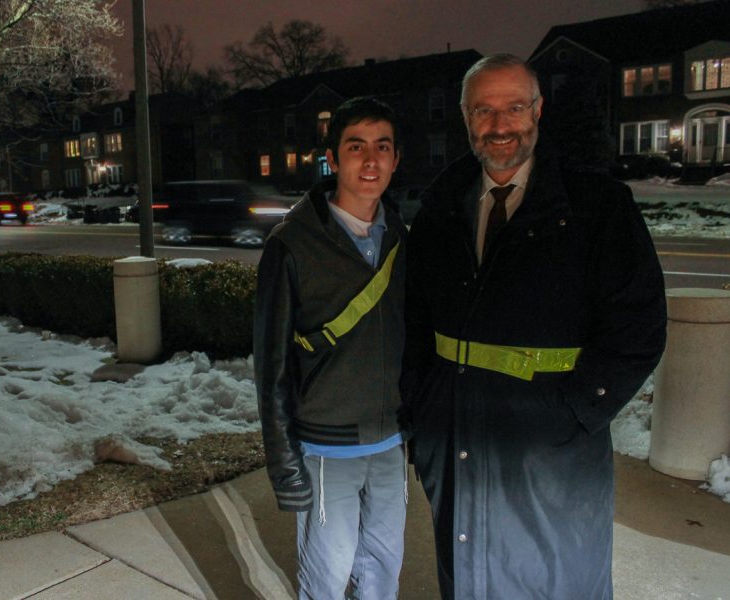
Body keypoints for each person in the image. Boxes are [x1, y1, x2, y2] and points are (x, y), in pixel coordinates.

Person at [402, 54, 667, 600]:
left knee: (553, 577)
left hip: (551, 445)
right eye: (484, 111)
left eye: (514, 107)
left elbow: (637, 326)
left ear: (538, 110)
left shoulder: (596, 206)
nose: (499, 126)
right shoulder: (441, 207)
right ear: (465, 118)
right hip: (455, 435)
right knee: (468, 574)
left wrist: (574, 411)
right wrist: (422, 416)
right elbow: (414, 320)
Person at [254, 96, 408, 600]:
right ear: (334, 159)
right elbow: (270, 367)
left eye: (381, 147)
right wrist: (283, 465)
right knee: (326, 578)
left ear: (395, 158)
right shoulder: (292, 244)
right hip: (324, 448)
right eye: (356, 146)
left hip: (388, 443)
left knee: (384, 574)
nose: (370, 160)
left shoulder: (400, 236)